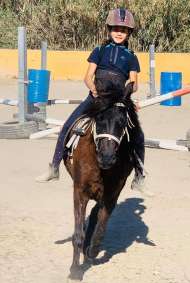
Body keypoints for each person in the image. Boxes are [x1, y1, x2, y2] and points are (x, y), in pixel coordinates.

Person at [36, 8, 145, 191]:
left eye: (124, 30)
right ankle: (54, 167)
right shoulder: (99, 50)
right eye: (116, 29)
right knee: (68, 126)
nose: (119, 33)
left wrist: (128, 92)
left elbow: (134, 83)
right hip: (96, 98)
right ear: (109, 30)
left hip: (118, 101)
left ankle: (139, 176)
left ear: (129, 33)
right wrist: (93, 89)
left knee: (138, 135)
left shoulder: (131, 57)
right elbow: (88, 77)